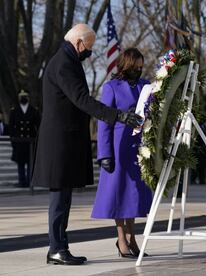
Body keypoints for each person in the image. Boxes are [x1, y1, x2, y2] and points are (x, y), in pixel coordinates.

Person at [31, 24, 143, 265]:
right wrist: (118, 115)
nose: (89, 52)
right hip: (59, 142)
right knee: (59, 199)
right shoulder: (64, 64)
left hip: (65, 140)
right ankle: (56, 248)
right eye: (89, 47)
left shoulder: (68, 61)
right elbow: (81, 99)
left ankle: (59, 246)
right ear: (79, 43)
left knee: (64, 198)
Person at [91, 48, 152, 258]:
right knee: (119, 194)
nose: (139, 70)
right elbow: (104, 122)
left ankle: (132, 237)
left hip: (139, 147)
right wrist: (104, 153)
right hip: (118, 146)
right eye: (136, 66)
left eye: (141, 67)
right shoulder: (112, 87)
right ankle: (120, 238)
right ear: (127, 64)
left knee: (133, 196)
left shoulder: (146, 86)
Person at [9, 90, 41, 187]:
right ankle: (21, 181)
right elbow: (11, 127)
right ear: (19, 98)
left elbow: (38, 125)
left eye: (25, 96)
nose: (23, 98)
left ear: (28, 98)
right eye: (21, 96)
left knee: (30, 162)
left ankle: (30, 181)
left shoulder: (34, 110)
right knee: (20, 163)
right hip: (19, 141)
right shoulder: (14, 111)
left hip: (30, 141)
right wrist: (13, 140)